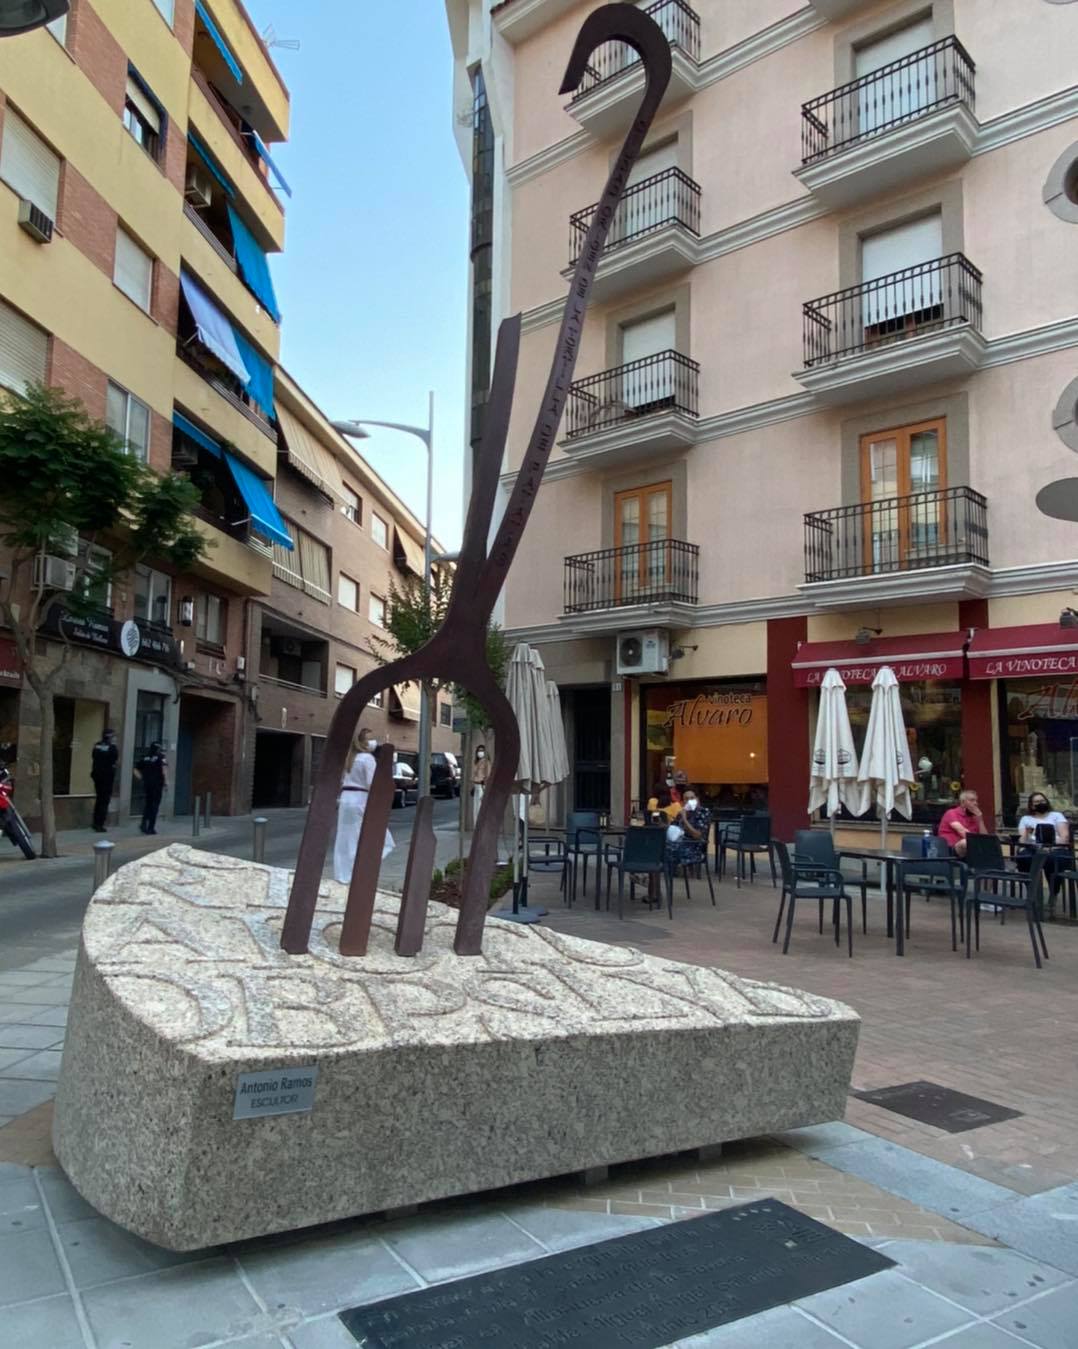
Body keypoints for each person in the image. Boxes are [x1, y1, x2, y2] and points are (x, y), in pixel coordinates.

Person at [333, 728, 395, 885]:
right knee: (371, 835)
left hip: (345, 799)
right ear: (364, 743)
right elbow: (371, 783)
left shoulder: (349, 759)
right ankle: (359, 870)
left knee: (344, 838)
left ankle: (343, 873)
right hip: (361, 799)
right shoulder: (367, 759)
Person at [1016, 792, 1070, 893]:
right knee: (1023, 858)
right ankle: (1032, 892)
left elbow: (1064, 838)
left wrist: (1049, 843)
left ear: (1047, 802)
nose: (1040, 803)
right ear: (1031, 805)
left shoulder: (1056, 815)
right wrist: (1027, 833)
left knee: (1051, 861)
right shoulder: (1026, 819)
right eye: (1037, 802)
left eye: (1042, 801)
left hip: (1056, 849)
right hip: (1033, 850)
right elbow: (1022, 841)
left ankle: (1053, 893)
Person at [666, 786, 712, 874]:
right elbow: (673, 829)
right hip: (679, 842)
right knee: (657, 844)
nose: (689, 801)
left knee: (667, 849)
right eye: (686, 799)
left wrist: (685, 820)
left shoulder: (703, 812)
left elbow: (697, 835)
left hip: (693, 846)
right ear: (683, 802)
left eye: (692, 798)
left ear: (697, 799)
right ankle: (649, 874)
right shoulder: (682, 812)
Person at [937, 789, 986, 858]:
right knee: (966, 842)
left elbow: (985, 837)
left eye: (976, 801)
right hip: (950, 848)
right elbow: (963, 833)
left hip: (971, 847)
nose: (975, 803)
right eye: (972, 800)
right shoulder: (952, 813)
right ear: (963, 802)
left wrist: (980, 820)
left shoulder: (974, 817)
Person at [135, 742, 167, 835]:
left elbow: (135, 769)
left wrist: (142, 778)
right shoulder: (161, 757)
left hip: (147, 784)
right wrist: (166, 782)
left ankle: (143, 824)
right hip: (157, 785)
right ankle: (151, 828)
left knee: (148, 804)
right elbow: (164, 770)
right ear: (158, 749)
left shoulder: (145, 757)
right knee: (155, 806)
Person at [90, 729, 118, 832]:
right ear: (110, 737)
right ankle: (100, 824)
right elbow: (114, 759)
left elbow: (93, 756)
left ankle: (95, 822)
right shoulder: (112, 747)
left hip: (97, 775)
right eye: (113, 736)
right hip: (107, 777)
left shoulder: (97, 745)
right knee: (104, 800)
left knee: (99, 799)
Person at [472, 744, 490, 814]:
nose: (480, 752)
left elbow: (488, 775)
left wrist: (485, 786)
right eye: (479, 751)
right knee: (475, 808)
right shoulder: (477, 762)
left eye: (482, 751)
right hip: (476, 785)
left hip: (482, 785)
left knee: (480, 807)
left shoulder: (486, 762)